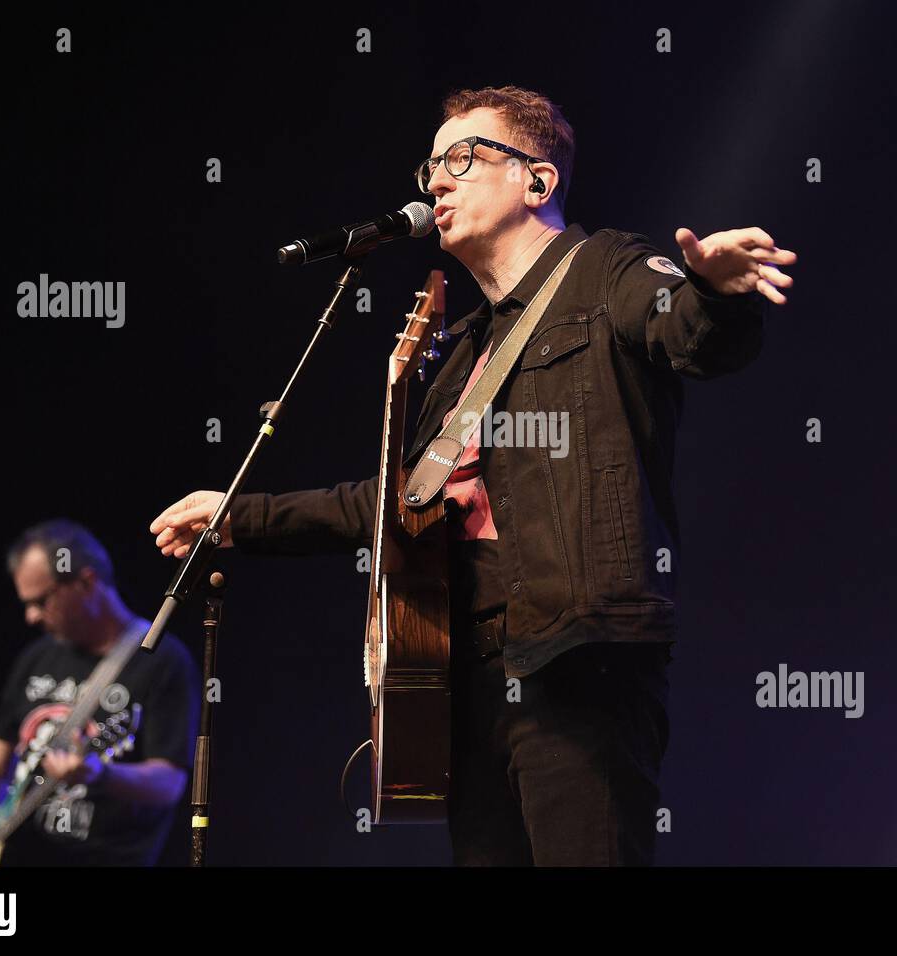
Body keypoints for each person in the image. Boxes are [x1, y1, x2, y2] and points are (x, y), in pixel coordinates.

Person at [150, 86, 795, 865]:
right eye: (431, 165)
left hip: (575, 655)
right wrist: (238, 515)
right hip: (469, 679)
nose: (436, 183)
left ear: (537, 181)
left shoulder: (607, 269)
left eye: (462, 158)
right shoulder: (460, 353)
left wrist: (718, 295)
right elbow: (398, 503)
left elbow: (685, 332)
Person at [0, 519, 199, 866]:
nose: (30, 616)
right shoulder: (36, 657)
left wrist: (100, 775)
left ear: (86, 583)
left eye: (41, 601)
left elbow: (169, 784)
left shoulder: (162, 661)